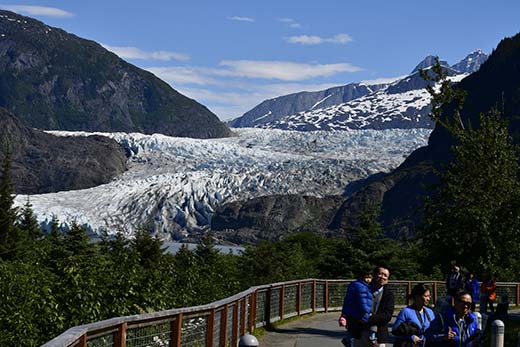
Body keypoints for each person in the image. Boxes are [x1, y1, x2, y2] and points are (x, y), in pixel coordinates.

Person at [339, 269, 373, 347]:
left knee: (351, 333)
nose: (368, 280)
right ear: (362, 277)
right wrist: (368, 312)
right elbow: (363, 301)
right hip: (359, 316)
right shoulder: (362, 287)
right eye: (366, 277)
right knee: (360, 336)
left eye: (370, 278)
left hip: (351, 315)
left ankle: (349, 342)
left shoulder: (353, 285)